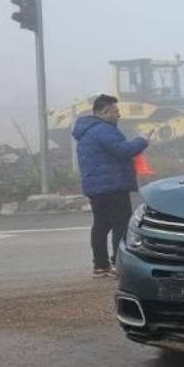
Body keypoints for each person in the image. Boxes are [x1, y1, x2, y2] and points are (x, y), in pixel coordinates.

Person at [72, 94, 151, 278]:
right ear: (104, 112)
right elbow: (124, 151)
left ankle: (100, 266)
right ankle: (118, 264)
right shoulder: (105, 130)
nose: (119, 114)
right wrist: (142, 140)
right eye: (115, 111)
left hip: (95, 187)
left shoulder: (86, 131)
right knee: (121, 224)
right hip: (113, 186)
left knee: (100, 225)